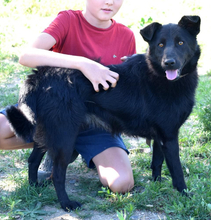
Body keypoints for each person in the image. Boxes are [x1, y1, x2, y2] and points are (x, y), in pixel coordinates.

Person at [0, 0, 136, 193]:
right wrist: (83, 64)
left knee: (121, 184)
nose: (109, 2)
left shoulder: (126, 36)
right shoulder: (68, 20)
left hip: (95, 123)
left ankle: (75, 146)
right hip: (54, 112)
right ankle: (58, 144)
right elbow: (26, 56)